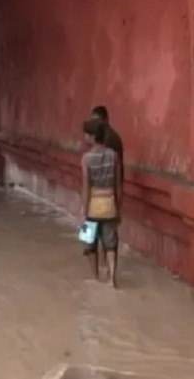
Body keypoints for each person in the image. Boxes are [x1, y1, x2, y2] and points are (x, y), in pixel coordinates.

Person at [80, 119, 123, 287]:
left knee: (89, 243)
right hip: (110, 204)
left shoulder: (86, 159)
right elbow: (118, 185)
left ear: (91, 137)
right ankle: (112, 278)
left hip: (92, 206)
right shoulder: (114, 156)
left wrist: (83, 211)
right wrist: (119, 208)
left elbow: (86, 187)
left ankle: (96, 276)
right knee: (111, 243)